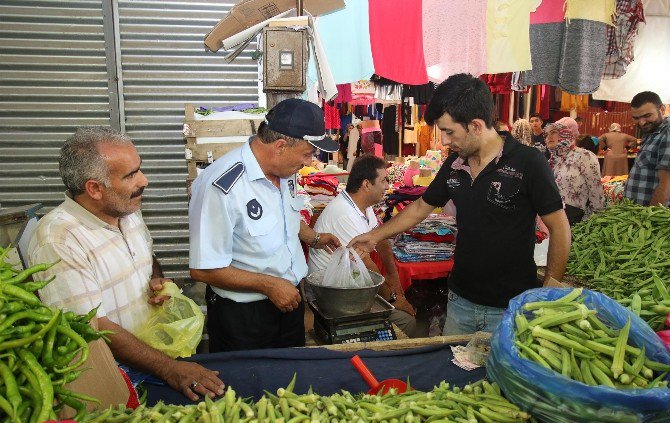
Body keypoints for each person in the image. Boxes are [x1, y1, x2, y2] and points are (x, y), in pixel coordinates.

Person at [349, 74, 571, 336]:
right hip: (460, 303)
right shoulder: (454, 165)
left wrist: (549, 291)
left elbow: (560, 229)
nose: (444, 141)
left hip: (510, 308)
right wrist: (374, 236)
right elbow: (421, 207)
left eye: (449, 132)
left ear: (476, 126)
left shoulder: (528, 163)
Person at [28, 127, 224, 402]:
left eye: (139, 169)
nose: (144, 180)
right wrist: (170, 370)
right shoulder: (59, 241)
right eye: (131, 175)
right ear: (94, 188)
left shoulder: (125, 209)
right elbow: (93, 327)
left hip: (153, 356)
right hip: (114, 377)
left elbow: (147, 256)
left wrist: (156, 279)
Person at [189, 98, 341, 352]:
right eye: (307, 154)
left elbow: (284, 218)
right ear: (280, 146)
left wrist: (313, 237)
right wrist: (269, 285)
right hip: (244, 317)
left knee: (290, 384)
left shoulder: (285, 172)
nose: (308, 162)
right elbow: (203, 269)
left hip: (288, 303)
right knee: (246, 388)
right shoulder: (222, 186)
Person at [307, 155, 417, 336]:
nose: (387, 186)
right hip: (332, 295)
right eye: (383, 181)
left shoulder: (363, 207)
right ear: (366, 184)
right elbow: (365, 264)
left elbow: (380, 239)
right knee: (406, 321)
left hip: (351, 286)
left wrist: (393, 277)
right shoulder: (345, 213)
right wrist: (393, 297)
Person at [545, 121, 604, 224]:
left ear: (564, 133)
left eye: (553, 132)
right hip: (553, 217)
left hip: (575, 218)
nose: (548, 137)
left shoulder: (584, 156)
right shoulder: (552, 161)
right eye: (546, 134)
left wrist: (589, 222)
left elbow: (596, 191)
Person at [624, 91, 670, 206]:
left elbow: (666, 185)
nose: (642, 122)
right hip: (638, 212)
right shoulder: (652, 133)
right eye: (636, 118)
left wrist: (648, 219)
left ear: (662, 109)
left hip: (649, 216)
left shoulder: (667, 134)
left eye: (647, 116)